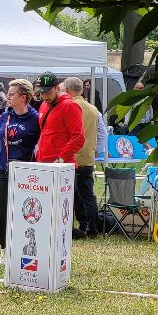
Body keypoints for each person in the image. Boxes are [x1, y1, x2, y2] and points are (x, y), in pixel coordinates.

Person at [0, 79, 40, 264]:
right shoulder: (5, 117)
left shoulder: (35, 119)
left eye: (12, 94)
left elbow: (39, 143)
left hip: (27, 172)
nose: (8, 97)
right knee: (1, 212)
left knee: (24, 212)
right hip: (4, 170)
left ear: (24, 97)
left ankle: (24, 248)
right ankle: (4, 250)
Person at [64, 76, 106, 239]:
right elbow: (103, 132)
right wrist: (97, 149)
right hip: (87, 157)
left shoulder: (67, 107)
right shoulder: (94, 110)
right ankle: (93, 228)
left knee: (71, 194)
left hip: (70, 157)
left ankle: (80, 224)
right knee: (88, 195)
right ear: (82, 90)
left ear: (67, 90)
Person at [34, 72, 84, 164]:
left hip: (62, 165)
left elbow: (78, 137)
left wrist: (61, 158)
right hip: (43, 162)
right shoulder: (44, 105)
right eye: (41, 93)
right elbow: (44, 132)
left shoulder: (70, 105)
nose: (44, 96)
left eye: (48, 93)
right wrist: (38, 154)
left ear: (57, 89)